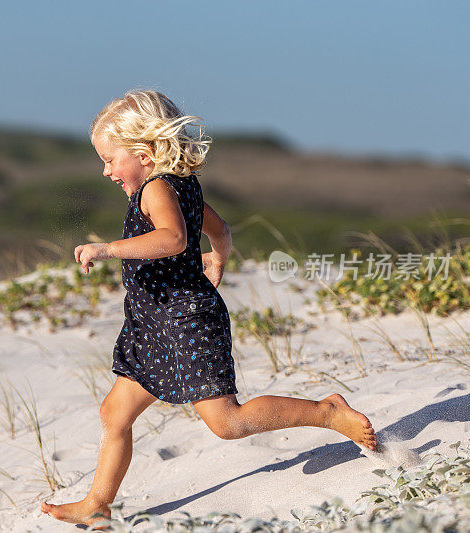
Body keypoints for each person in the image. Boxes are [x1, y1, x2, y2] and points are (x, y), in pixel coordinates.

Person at [40, 89, 376, 529]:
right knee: (114, 413)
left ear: (144, 152)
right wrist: (218, 255)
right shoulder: (178, 186)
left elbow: (174, 239)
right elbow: (218, 228)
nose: (105, 171)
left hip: (185, 323)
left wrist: (107, 249)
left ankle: (327, 412)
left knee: (226, 422)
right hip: (153, 325)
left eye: (109, 159)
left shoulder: (158, 188)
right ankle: (97, 503)